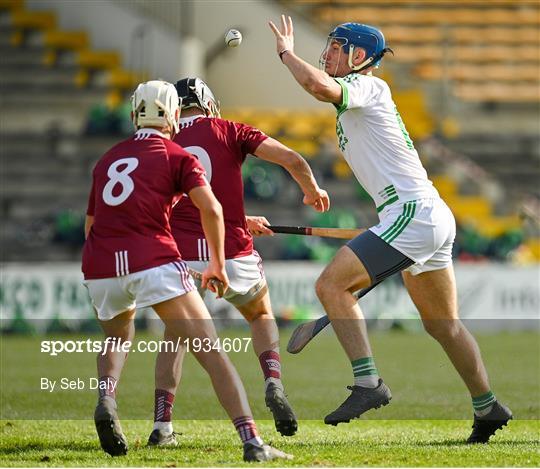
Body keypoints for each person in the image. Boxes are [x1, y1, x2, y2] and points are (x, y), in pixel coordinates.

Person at [269, 16, 512, 443]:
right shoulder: (361, 97)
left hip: (415, 215)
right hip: (422, 215)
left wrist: (287, 54)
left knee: (331, 287)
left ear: (358, 57)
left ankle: (368, 384)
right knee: (443, 325)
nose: (326, 54)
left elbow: (318, 87)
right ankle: (488, 406)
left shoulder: (366, 86)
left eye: (335, 47)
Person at [82, 79, 291, 462]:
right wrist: (215, 263)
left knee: (117, 337)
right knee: (211, 352)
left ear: (133, 114)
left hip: (100, 266)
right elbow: (211, 209)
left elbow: (92, 226)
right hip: (153, 260)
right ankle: (252, 441)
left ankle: (107, 398)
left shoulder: (108, 158)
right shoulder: (177, 155)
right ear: (174, 116)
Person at [148, 77, 330, 444]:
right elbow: (292, 159)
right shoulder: (230, 129)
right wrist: (312, 191)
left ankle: (161, 426)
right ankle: (273, 382)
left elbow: (175, 204)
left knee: (175, 337)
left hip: (181, 258)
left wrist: (241, 217)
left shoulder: (160, 142)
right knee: (260, 314)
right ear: (209, 104)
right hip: (231, 252)